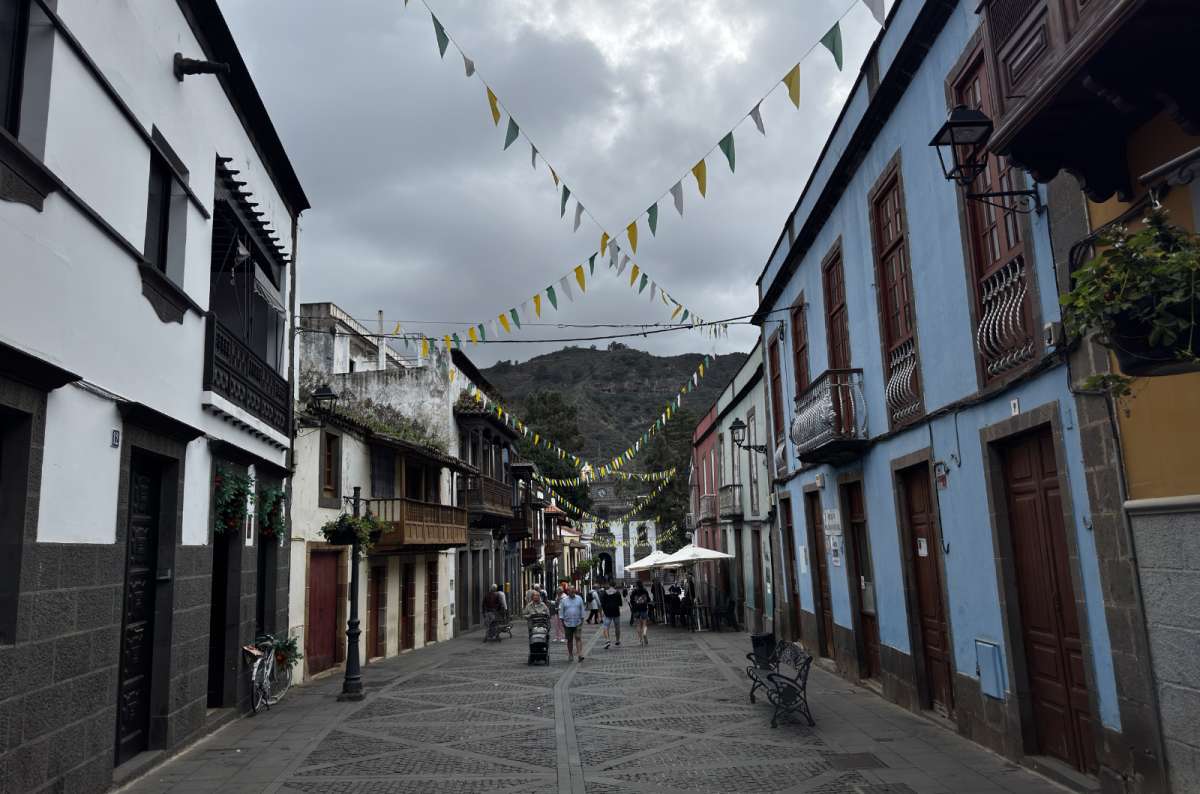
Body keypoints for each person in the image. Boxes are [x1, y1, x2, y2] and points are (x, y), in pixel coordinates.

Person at [558, 585, 586, 661]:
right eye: (571, 591)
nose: (573, 592)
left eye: (573, 590)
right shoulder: (564, 600)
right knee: (569, 640)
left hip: (578, 622)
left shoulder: (579, 598)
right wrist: (563, 622)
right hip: (567, 623)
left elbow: (582, 609)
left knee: (578, 637)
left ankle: (580, 654)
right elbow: (561, 612)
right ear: (568, 592)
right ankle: (570, 654)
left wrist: (582, 620)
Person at [600, 580, 623, 650]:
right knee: (617, 627)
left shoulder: (605, 593)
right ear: (615, 585)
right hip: (616, 612)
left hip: (607, 612)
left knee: (606, 627)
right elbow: (620, 603)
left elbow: (602, 603)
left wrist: (603, 610)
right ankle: (617, 640)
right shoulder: (617, 593)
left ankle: (607, 640)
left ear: (609, 585)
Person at [629, 580, 652, 646]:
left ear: (636, 585)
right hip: (644, 609)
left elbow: (631, 601)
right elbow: (648, 599)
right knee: (644, 623)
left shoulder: (634, 592)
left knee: (638, 625)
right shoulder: (645, 591)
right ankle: (644, 633)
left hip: (636, 610)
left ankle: (640, 640)